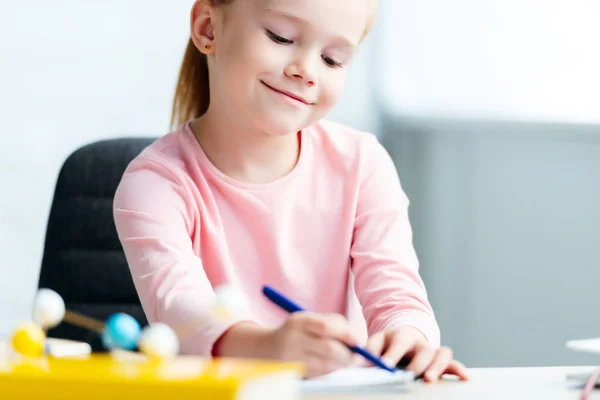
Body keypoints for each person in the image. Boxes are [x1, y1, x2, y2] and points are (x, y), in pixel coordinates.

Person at [113, 0, 469, 382]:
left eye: (333, 60)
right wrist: (271, 348)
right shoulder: (154, 184)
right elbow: (185, 318)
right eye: (281, 37)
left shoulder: (363, 164)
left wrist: (410, 336)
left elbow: (397, 294)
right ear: (208, 29)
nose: (307, 71)